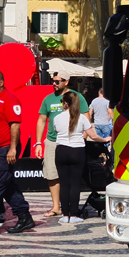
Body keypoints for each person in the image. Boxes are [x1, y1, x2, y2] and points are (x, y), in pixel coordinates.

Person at [0, 71, 35, 234]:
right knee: (8, 186)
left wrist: (12, 148)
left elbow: (15, 126)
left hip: (5, 149)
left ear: (1, 83)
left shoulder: (9, 100)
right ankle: (25, 217)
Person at [36, 73, 91, 218]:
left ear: (66, 81)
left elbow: (86, 118)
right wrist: (38, 142)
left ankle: (71, 208)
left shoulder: (77, 97)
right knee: (52, 175)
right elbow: (41, 120)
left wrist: (82, 139)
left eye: (57, 81)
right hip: (53, 141)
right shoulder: (48, 99)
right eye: (52, 81)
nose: (53, 84)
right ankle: (56, 207)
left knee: (71, 178)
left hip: (73, 142)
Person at [53, 91, 96, 223]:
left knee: (64, 183)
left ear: (65, 103)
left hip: (61, 150)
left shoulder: (57, 118)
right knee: (75, 184)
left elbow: (56, 131)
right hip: (77, 151)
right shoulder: (82, 118)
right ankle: (74, 215)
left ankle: (65, 214)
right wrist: (106, 138)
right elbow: (93, 135)